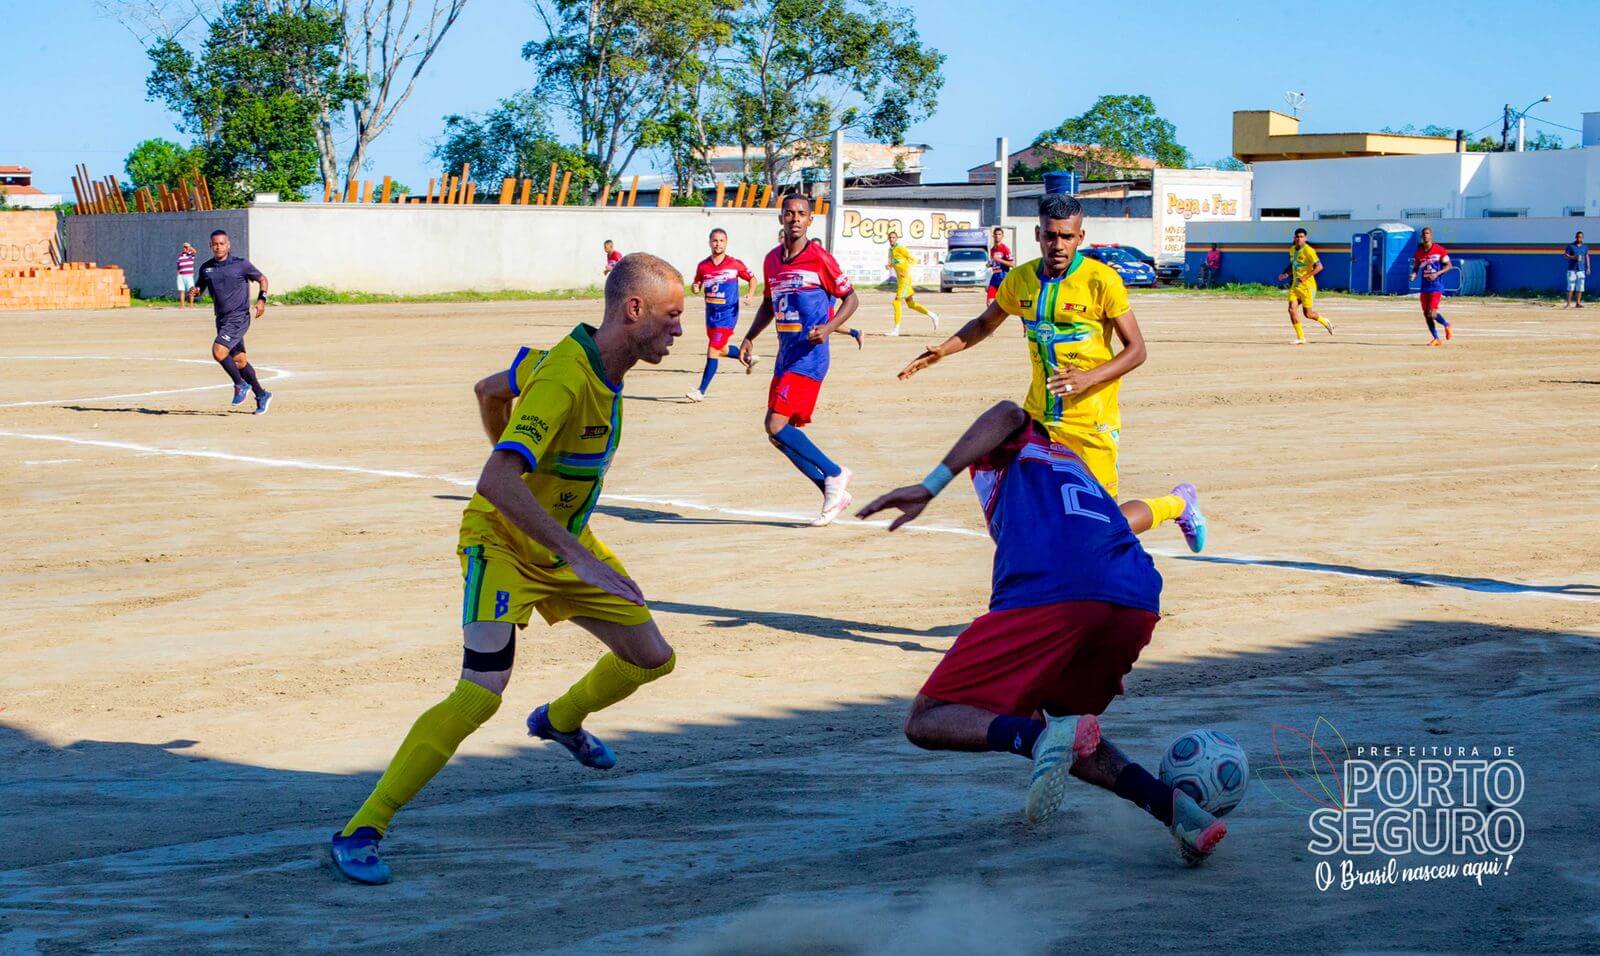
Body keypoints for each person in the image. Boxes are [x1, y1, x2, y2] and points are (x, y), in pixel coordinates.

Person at [330, 254, 686, 885]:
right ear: (634, 310)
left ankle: (562, 719)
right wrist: (579, 556)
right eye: (671, 316)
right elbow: (497, 480)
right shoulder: (564, 378)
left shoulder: (583, 362)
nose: (680, 331)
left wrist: (568, 542)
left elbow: (489, 389)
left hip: (560, 538)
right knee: (479, 693)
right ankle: (363, 827)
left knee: (652, 657)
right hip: (502, 542)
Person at [856, 400, 1227, 865]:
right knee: (1062, 721)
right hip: (1133, 596)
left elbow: (1007, 412)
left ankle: (1037, 742)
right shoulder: (1068, 471)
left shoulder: (1020, 444)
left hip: (1058, 591)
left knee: (928, 719)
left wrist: (929, 486)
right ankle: (1179, 812)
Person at [896, 193, 1207, 551]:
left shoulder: (1101, 281)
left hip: (1091, 422)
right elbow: (985, 323)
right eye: (1050, 235)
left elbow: (1137, 350)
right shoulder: (1021, 279)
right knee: (1022, 514)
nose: (1058, 244)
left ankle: (1178, 503)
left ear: (1080, 236)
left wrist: (1087, 378)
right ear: (1037, 234)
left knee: (1103, 527)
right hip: (1038, 422)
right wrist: (943, 350)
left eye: (1067, 236)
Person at [739, 194, 860, 527]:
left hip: (810, 357)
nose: (795, 219)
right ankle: (832, 489)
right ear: (781, 218)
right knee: (778, 434)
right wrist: (750, 336)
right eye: (789, 213)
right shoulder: (771, 261)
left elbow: (851, 298)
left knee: (775, 424)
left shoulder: (820, 259)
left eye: (801, 214)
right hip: (785, 354)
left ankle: (836, 473)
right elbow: (768, 303)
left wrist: (831, 327)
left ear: (810, 221)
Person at [186, 229, 273, 414]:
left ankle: (240, 384)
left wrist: (261, 300)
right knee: (240, 361)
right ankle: (261, 394)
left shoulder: (241, 265)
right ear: (210, 246)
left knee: (218, 351)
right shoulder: (206, 268)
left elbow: (262, 279)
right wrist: (194, 292)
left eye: (221, 243)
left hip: (239, 317)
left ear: (228, 245)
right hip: (222, 319)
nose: (218, 247)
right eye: (215, 244)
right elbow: (200, 288)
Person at [686, 228, 756, 402]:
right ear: (710, 242)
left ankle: (701, 391)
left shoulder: (735, 264)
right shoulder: (703, 265)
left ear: (726, 242)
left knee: (712, 350)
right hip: (711, 315)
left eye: (721, 241)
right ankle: (747, 357)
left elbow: (752, 279)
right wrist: (695, 288)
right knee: (721, 349)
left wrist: (751, 293)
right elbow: (697, 284)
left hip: (728, 315)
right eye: (715, 240)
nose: (718, 244)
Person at [1276, 228, 1333, 344]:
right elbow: (1293, 264)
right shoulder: (1292, 250)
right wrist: (1286, 274)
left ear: (1305, 238)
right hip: (1295, 286)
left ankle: (1325, 321)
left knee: (1308, 314)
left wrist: (1306, 277)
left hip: (1308, 286)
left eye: (1301, 236)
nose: (1299, 238)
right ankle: (1301, 338)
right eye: (1297, 236)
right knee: (1291, 310)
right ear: (1294, 238)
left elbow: (1319, 267)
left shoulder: (1309, 251)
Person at [886, 229, 940, 336]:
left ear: (896, 239)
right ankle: (933, 315)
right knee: (910, 304)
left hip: (905, 279)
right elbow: (895, 262)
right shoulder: (890, 250)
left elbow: (913, 260)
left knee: (896, 302)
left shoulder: (901, 248)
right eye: (890, 238)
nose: (892, 239)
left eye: (893, 237)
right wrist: (889, 265)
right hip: (901, 281)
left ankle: (896, 330)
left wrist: (904, 271)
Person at [1408, 227, 1455, 345]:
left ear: (1431, 236)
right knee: (1426, 315)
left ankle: (1446, 325)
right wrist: (1413, 274)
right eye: (1423, 234)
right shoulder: (1419, 252)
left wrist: (1436, 274)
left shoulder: (1439, 250)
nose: (1425, 235)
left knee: (1432, 313)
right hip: (1424, 288)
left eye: (1427, 233)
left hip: (1436, 286)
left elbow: (1449, 266)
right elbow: (1416, 266)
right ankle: (1436, 338)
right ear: (1421, 237)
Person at [986, 227, 1014, 303]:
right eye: (996, 234)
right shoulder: (992, 249)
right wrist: (990, 264)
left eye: (999, 234)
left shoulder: (1005, 249)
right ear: (993, 236)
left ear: (1002, 236)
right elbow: (994, 263)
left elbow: (1012, 264)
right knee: (989, 301)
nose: (997, 236)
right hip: (994, 277)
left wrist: (999, 259)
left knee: (1005, 303)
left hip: (1003, 277)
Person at [1564, 231, 1589, 308]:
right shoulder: (1570, 246)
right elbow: (1565, 255)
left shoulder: (1585, 247)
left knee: (1580, 287)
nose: (1579, 238)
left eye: (1580, 237)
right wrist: (1573, 257)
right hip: (1572, 270)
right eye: (1577, 236)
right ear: (1575, 237)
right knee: (1571, 286)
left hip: (1581, 269)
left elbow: (1587, 256)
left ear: (1583, 237)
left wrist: (1588, 267)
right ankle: (1568, 303)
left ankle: (1578, 303)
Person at [176, 242, 197, 307]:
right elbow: (178, 266)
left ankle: (191, 305)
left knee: (191, 291)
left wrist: (189, 247)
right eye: (184, 247)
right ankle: (182, 305)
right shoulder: (180, 255)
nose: (185, 248)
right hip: (181, 276)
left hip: (189, 275)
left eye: (186, 247)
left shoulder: (190, 255)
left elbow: (195, 251)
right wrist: (178, 275)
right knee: (181, 290)